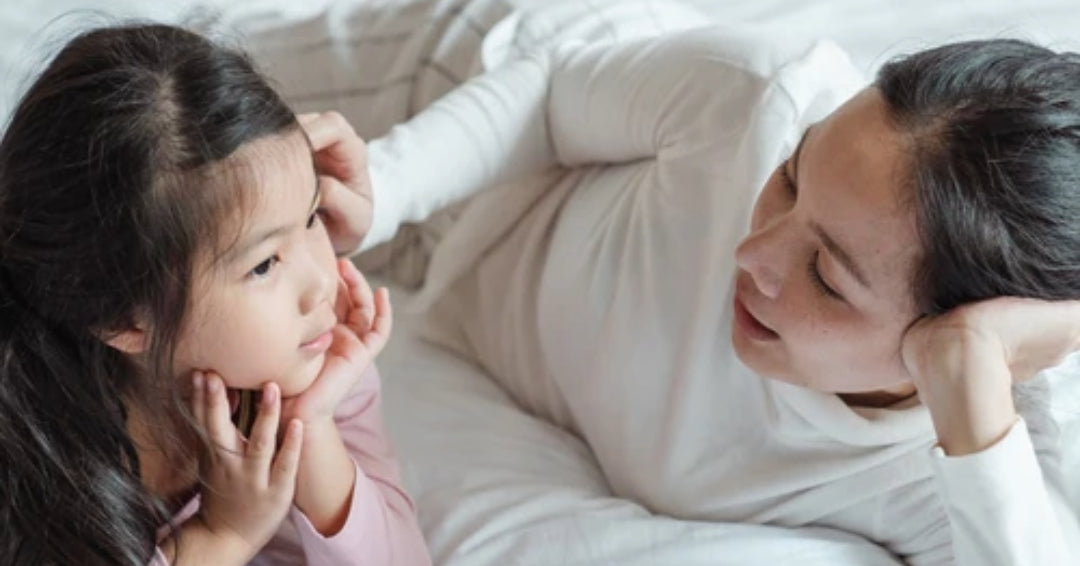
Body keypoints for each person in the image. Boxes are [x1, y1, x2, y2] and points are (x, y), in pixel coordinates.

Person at [330, 26, 1080, 565]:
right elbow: (554, 96)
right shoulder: (754, 97)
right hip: (455, 98)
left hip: (462, 358)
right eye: (790, 177)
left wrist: (973, 376)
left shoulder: (948, 470)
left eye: (826, 276)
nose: (752, 255)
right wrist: (383, 184)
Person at [0, 23, 430, 566]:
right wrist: (223, 535)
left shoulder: (314, 357)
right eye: (265, 264)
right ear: (125, 320)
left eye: (313, 215)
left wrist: (311, 426)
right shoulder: (41, 470)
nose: (322, 280)